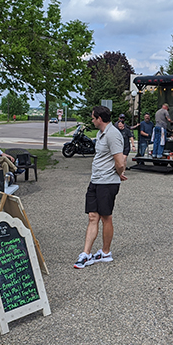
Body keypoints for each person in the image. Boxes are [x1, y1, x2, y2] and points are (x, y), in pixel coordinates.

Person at [74, 105, 127, 269]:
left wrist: (119, 173)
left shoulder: (113, 135)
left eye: (93, 118)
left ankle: (105, 252)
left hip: (108, 182)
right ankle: (86, 253)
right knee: (92, 216)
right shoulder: (100, 133)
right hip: (96, 180)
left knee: (106, 217)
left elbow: (120, 162)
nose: (92, 120)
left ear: (99, 118)